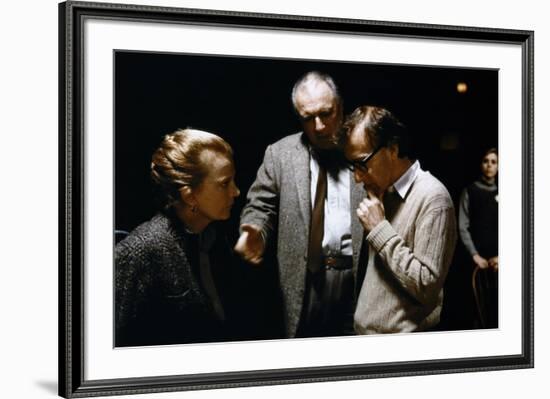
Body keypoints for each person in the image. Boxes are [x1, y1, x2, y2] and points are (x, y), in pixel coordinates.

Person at [234, 71, 366, 338]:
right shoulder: (280, 153)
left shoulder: (365, 147)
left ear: (340, 108)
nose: (318, 126)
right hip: (305, 281)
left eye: (326, 114)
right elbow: (261, 204)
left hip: (359, 277)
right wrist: (253, 230)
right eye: (308, 118)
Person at [115, 128, 241, 346]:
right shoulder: (141, 251)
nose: (236, 192)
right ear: (189, 195)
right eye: (224, 184)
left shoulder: (216, 238)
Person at [341, 105, 457, 334]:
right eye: (352, 166)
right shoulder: (383, 192)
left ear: (392, 149)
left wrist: (380, 230)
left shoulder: (434, 198)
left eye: (362, 164)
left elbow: (426, 286)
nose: (356, 177)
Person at [458, 148, 498, 328]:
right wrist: (475, 256)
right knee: (476, 311)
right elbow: (462, 226)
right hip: (476, 260)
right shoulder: (470, 191)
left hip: (498, 261)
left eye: (494, 162)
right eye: (486, 161)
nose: (489, 165)